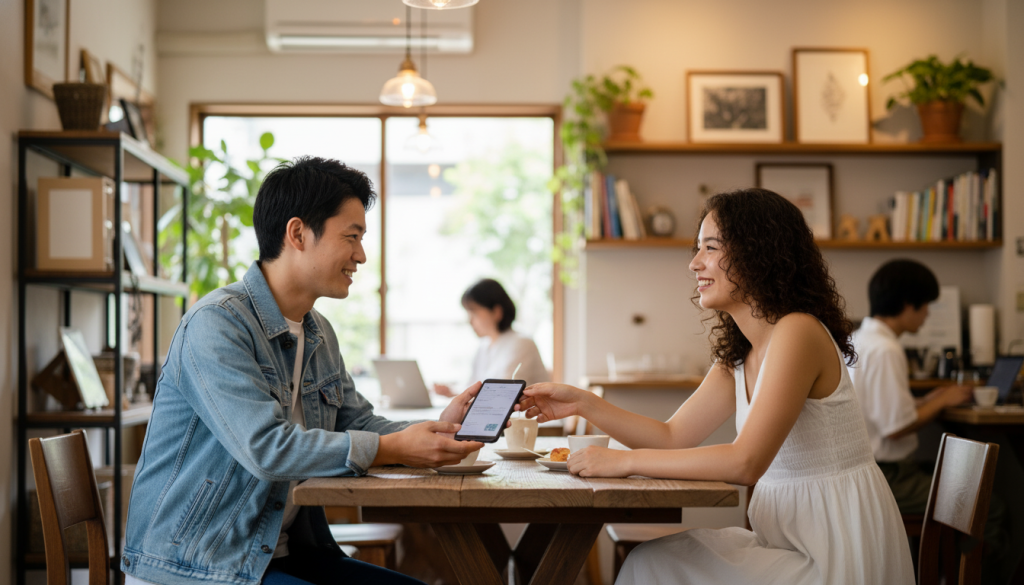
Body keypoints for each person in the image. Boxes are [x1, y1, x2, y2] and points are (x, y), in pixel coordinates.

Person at [519, 188, 915, 584]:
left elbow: (746, 462)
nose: (694, 263)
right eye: (698, 249)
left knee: (652, 566)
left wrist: (625, 461)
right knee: (651, 561)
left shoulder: (798, 331)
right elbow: (673, 436)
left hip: (835, 555)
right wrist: (583, 403)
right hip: (789, 546)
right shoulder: (742, 355)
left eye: (710, 247)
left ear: (758, 252)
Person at [121, 157, 485, 585]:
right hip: (198, 567)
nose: (361, 255)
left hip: (279, 555)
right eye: (352, 237)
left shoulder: (317, 331)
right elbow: (267, 448)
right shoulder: (216, 324)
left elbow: (360, 422)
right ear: (297, 233)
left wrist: (435, 429)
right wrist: (394, 449)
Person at [850, 259, 1009, 579]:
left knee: (958, 482)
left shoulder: (858, 340)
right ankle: (967, 578)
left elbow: (880, 408)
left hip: (865, 470)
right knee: (987, 505)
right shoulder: (885, 349)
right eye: (926, 307)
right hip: (889, 476)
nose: (927, 316)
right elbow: (896, 427)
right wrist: (944, 402)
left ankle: (943, 573)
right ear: (909, 304)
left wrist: (929, 399)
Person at [433, 279, 549, 397]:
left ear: (496, 312)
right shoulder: (484, 346)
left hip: (525, 415)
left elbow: (501, 393)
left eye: (474, 313)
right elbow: (472, 386)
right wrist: (451, 392)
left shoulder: (522, 343)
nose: (470, 321)